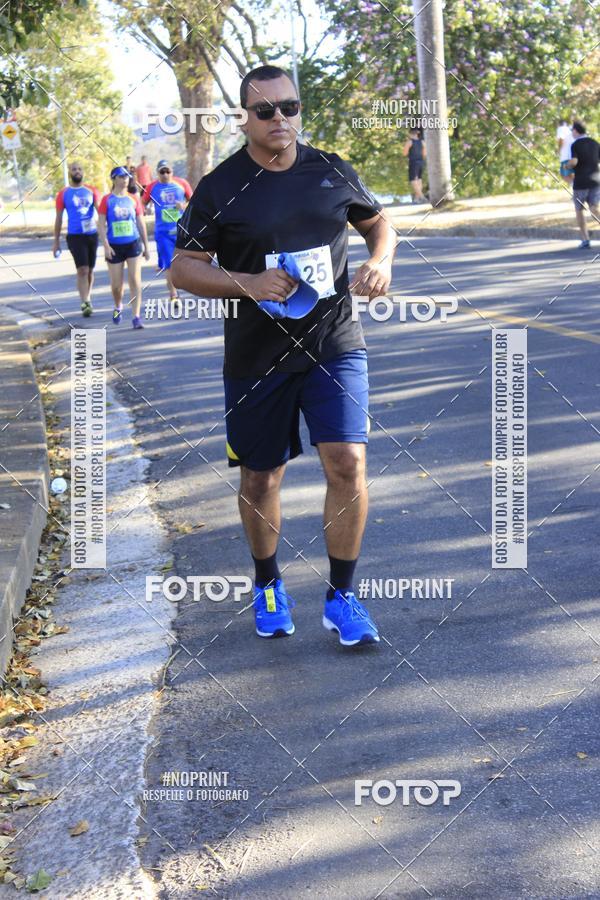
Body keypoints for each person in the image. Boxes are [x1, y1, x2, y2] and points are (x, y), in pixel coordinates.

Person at [172, 64, 396, 646]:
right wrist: (248, 283)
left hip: (334, 344)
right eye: (266, 110)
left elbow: (379, 224)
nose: (280, 119)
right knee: (261, 475)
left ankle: (343, 597)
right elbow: (183, 269)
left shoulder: (329, 169)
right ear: (244, 117)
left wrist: (382, 261)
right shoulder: (221, 187)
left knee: (348, 462)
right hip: (256, 356)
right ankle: (268, 583)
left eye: (290, 108)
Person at [97, 165, 150, 328]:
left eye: (127, 176)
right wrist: (106, 246)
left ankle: (136, 316)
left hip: (133, 243)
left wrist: (146, 246)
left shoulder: (133, 198)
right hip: (114, 246)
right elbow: (100, 224)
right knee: (116, 285)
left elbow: (141, 223)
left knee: (135, 280)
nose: (125, 179)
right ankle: (118, 306)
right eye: (121, 176)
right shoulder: (107, 200)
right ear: (114, 179)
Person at [52, 161, 100, 317]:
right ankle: (84, 301)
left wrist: (107, 234)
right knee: (82, 270)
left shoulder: (92, 191)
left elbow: (102, 212)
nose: (77, 171)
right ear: (69, 172)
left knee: (90, 271)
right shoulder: (64, 193)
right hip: (75, 236)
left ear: (83, 172)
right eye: (74, 169)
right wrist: (56, 241)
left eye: (79, 169)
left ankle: (88, 297)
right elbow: (58, 218)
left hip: (91, 234)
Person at [142, 160, 192, 301]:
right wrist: (144, 210)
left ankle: (185, 286)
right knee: (169, 264)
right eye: (162, 172)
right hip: (163, 232)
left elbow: (194, 201)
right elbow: (142, 203)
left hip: (181, 230)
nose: (165, 175)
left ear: (172, 172)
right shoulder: (152, 187)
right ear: (157, 173)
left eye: (167, 171)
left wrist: (183, 205)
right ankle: (173, 294)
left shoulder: (181, 184)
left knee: (184, 262)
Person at [565, 121, 600, 249]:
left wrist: (567, 165)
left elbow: (574, 161)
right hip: (595, 181)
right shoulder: (595, 143)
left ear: (575, 131)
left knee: (579, 210)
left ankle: (585, 239)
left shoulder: (575, 145)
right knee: (594, 209)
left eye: (572, 131)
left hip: (580, 183)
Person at [402, 127, 427, 203]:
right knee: (419, 179)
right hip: (421, 162)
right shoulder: (422, 142)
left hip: (413, 162)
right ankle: (417, 199)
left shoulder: (409, 142)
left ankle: (422, 197)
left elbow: (404, 153)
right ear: (418, 133)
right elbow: (424, 154)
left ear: (410, 133)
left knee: (413, 180)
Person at [557, 118, 573, 182]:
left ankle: (574, 186)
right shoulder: (569, 130)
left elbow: (561, 139)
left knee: (564, 174)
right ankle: (575, 187)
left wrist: (559, 149)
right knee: (570, 173)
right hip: (572, 155)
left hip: (565, 155)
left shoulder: (561, 129)